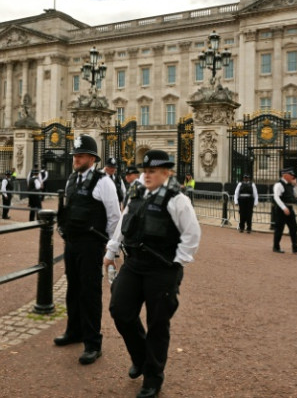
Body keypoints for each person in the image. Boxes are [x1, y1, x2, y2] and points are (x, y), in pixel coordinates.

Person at [104, 150, 201, 398]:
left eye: (152, 171)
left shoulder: (177, 199)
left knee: (158, 324)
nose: (146, 175)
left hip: (162, 269)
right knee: (120, 309)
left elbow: (192, 235)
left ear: (166, 173)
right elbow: (123, 224)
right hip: (134, 264)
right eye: (145, 171)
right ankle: (141, 358)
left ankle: (153, 378)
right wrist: (111, 251)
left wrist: (177, 263)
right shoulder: (136, 192)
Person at [54, 134, 121, 365]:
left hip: (92, 244)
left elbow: (114, 217)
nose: (76, 159)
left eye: (81, 156)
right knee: (73, 288)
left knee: (90, 293)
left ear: (92, 159)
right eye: (75, 155)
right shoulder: (71, 179)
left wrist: (111, 249)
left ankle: (93, 343)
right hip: (72, 243)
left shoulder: (103, 182)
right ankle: (74, 331)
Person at [272, 167, 297, 254]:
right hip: (281, 209)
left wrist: (296, 186)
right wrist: (284, 208)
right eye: (291, 175)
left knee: (294, 227)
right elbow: (276, 197)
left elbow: (295, 195)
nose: (293, 177)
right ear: (285, 175)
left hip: (290, 208)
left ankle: (295, 247)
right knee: (279, 228)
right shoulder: (279, 185)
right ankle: (276, 247)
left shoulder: (290, 185)